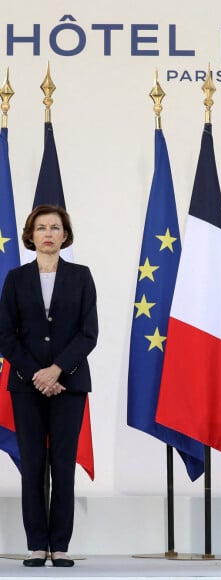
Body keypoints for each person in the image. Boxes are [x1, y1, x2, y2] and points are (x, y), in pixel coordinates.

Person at [0, 205, 98, 568]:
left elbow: (89, 333)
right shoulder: (15, 279)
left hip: (69, 385)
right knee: (33, 465)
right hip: (27, 387)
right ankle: (36, 545)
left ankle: (60, 545)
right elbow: (5, 334)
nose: (48, 233)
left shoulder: (81, 276)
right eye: (41, 228)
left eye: (55, 227)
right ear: (31, 235)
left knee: (62, 465)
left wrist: (57, 371)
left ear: (64, 235)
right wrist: (37, 374)